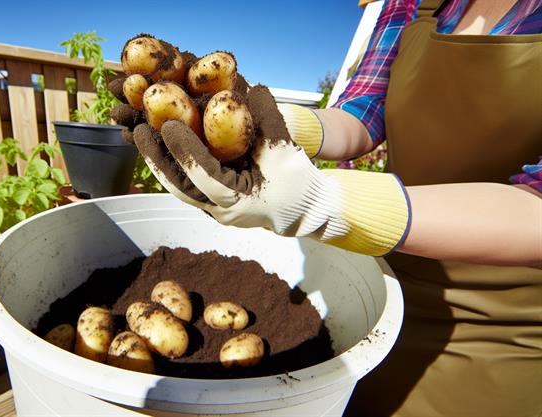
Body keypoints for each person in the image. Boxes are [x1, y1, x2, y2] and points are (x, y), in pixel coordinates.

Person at [111, 0, 542, 415]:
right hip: (382, 292)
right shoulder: (413, 3)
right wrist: (270, 126)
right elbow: (363, 113)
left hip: (501, 330)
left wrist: (325, 204)